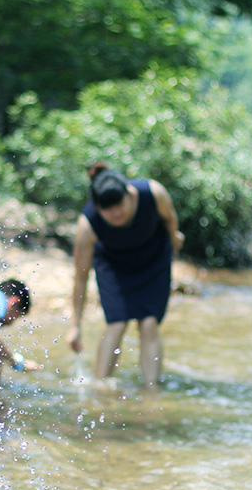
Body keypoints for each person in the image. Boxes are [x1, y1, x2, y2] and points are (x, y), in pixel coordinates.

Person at [68, 162, 184, 388]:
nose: (116, 213)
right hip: (114, 265)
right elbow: (80, 277)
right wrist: (76, 325)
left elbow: (170, 219)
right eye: (107, 209)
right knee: (117, 322)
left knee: (149, 322)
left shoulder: (152, 193)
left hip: (154, 256)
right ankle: (101, 386)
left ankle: (152, 389)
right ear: (97, 207)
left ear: (128, 194)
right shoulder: (87, 224)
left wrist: (175, 238)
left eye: (119, 204)